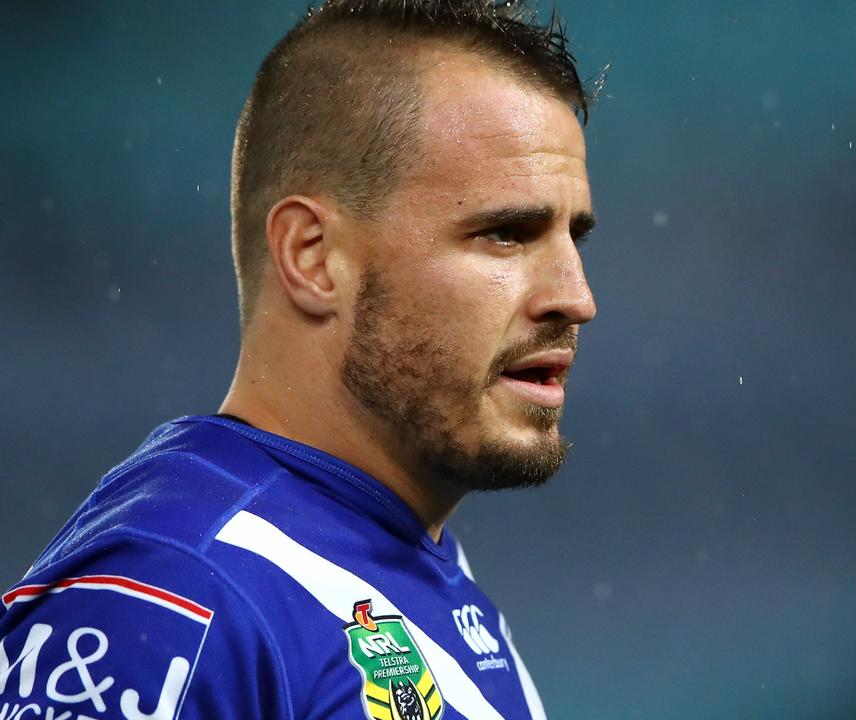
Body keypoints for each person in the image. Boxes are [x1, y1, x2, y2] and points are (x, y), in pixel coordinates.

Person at [0, 1, 598, 718]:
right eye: (506, 233)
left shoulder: (422, 575)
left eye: (575, 237)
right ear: (313, 258)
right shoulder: (177, 594)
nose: (575, 297)